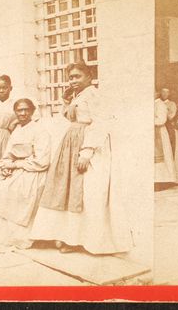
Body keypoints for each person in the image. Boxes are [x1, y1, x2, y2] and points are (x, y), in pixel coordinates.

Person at [30, 61, 131, 254]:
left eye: (77, 76)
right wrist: (67, 103)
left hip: (89, 146)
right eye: (70, 77)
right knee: (67, 190)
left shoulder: (94, 95)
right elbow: (71, 118)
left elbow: (101, 123)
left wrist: (87, 151)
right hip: (71, 143)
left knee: (89, 192)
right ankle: (67, 236)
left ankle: (88, 240)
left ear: (89, 77)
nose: (73, 80)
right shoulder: (77, 95)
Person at [0, 98, 51, 253]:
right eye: (19, 110)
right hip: (14, 170)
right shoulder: (17, 131)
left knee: (4, 193)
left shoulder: (40, 131)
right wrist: (4, 166)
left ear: (32, 112)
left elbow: (42, 161)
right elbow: (7, 154)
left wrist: (16, 165)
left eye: (26, 110)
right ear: (15, 112)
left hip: (32, 173)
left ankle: (0, 240)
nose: (23, 113)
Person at [161, 88, 178, 183]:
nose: (164, 94)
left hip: (171, 128)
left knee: (174, 151)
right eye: (163, 92)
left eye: (167, 92)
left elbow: (170, 116)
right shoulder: (158, 103)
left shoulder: (172, 104)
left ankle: (177, 178)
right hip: (164, 129)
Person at [154, 91, 176, 185]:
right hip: (153, 132)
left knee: (162, 156)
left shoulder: (160, 105)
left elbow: (162, 120)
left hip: (159, 132)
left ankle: (163, 180)